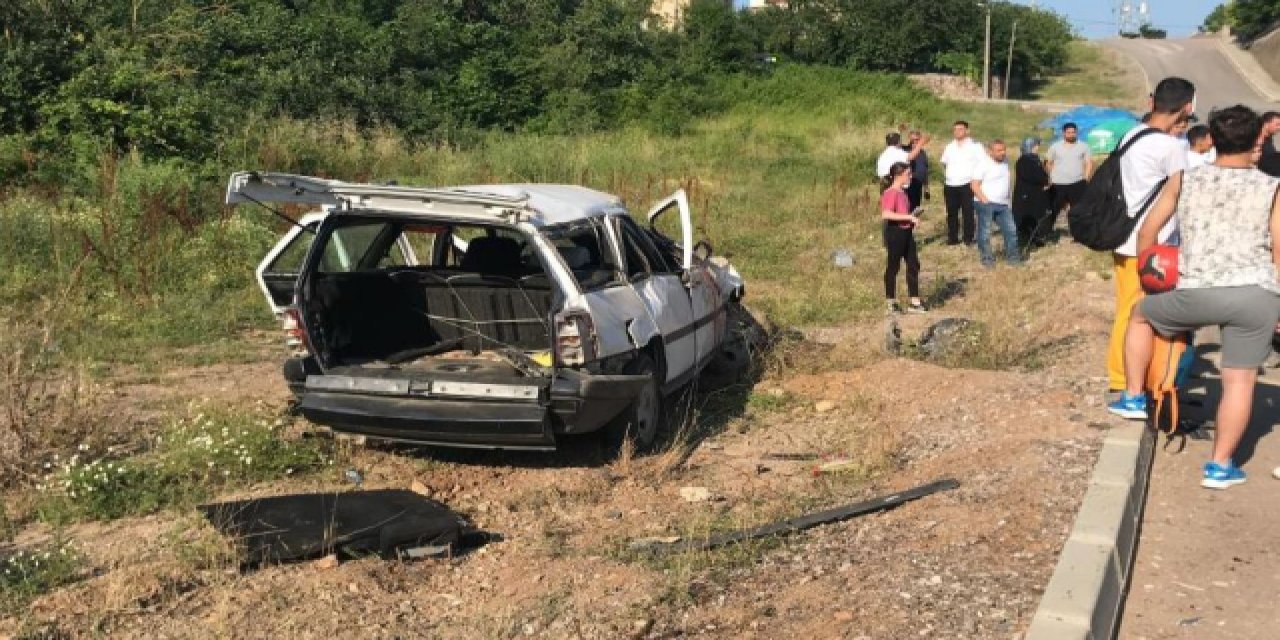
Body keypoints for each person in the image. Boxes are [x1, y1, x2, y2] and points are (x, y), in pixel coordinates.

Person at [1108, 105, 1280, 490]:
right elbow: (1279, 252)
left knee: (1140, 315)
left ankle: (1134, 397)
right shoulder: (1273, 188)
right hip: (1255, 294)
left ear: (1212, 140)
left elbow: (1148, 232)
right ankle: (1220, 467)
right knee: (1239, 382)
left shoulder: (1183, 179)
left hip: (1196, 290)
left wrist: (1149, 274)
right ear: (1258, 141)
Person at [1106, 76, 1195, 396]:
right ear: (1187, 107)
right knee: (1140, 315)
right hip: (1152, 244)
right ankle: (1125, 379)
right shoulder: (1171, 147)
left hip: (1124, 237)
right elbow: (1179, 195)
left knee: (1128, 310)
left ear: (1151, 101)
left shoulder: (1132, 134)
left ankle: (1129, 376)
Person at [880, 162, 925, 314]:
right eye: (908, 174)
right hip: (895, 233)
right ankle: (890, 301)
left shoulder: (902, 192)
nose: (910, 176)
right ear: (899, 176)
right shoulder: (891, 192)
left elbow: (901, 212)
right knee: (893, 266)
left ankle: (915, 301)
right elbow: (886, 214)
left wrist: (912, 217)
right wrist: (908, 217)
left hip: (906, 232)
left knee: (913, 264)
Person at [971, 140, 1021, 268]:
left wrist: (1008, 199)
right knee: (985, 233)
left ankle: (1013, 260)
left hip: (1003, 204)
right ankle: (987, 260)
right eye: (999, 150)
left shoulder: (1005, 161)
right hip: (986, 203)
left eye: (1004, 150)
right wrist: (985, 200)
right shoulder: (983, 164)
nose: (1002, 153)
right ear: (990, 152)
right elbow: (974, 185)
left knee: (1011, 231)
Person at [1045, 123, 1093, 235]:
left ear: (1076, 132)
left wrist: (1085, 178)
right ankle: (1046, 232)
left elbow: (1088, 162)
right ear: (1064, 133)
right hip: (1058, 183)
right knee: (1053, 208)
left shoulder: (1083, 146)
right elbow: (1048, 162)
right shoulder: (1055, 146)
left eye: (1073, 132)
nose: (1071, 134)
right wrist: (1051, 176)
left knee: (1077, 210)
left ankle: (1077, 234)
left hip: (1077, 183)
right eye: (1068, 132)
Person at [941, 121, 984, 246]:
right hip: (950, 184)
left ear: (967, 131)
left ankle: (968, 238)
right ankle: (952, 237)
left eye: (960, 129)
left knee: (968, 212)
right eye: (955, 129)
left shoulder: (975, 146)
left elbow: (982, 164)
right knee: (952, 212)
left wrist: (976, 181)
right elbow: (944, 162)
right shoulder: (950, 146)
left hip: (967, 184)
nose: (957, 132)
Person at [1013, 137, 1052, 249]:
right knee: (1027, 217)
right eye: (1035, 146)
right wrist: (1045, 180)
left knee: (1037, 215)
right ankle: (1027, 239)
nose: (1037, 148)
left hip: (1035, 194)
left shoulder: (1034, 159)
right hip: (1027, 195)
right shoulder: (1024, 161)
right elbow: (1033, 176)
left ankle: (1037, 238)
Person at [902, 129, 932, 210]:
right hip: (907, 184)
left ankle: (913, 222)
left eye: (917, 140)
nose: (915, 142)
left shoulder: (922, 153)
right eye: (913, 140)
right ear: (909, 139)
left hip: (918, 184)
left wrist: (926, 187)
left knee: (916, 208)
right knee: (907, 206)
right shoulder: (904, 151)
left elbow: (925, 170)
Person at [1255, 111, 1280, 177]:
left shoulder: (1268, 137)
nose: (1279, 128)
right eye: (1277, 125)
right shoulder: (1256, 138)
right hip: (1266, 174)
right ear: (1266, 124)